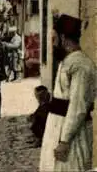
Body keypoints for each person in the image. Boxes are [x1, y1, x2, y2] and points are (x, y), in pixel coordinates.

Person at [39, 14, 96, 172]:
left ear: (63, 38)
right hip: (56, 126)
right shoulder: (67, 61)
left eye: (54, 39)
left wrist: (64, 141)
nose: (52, 44)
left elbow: (78, 107)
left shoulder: (81, 65)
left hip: (73, 135)